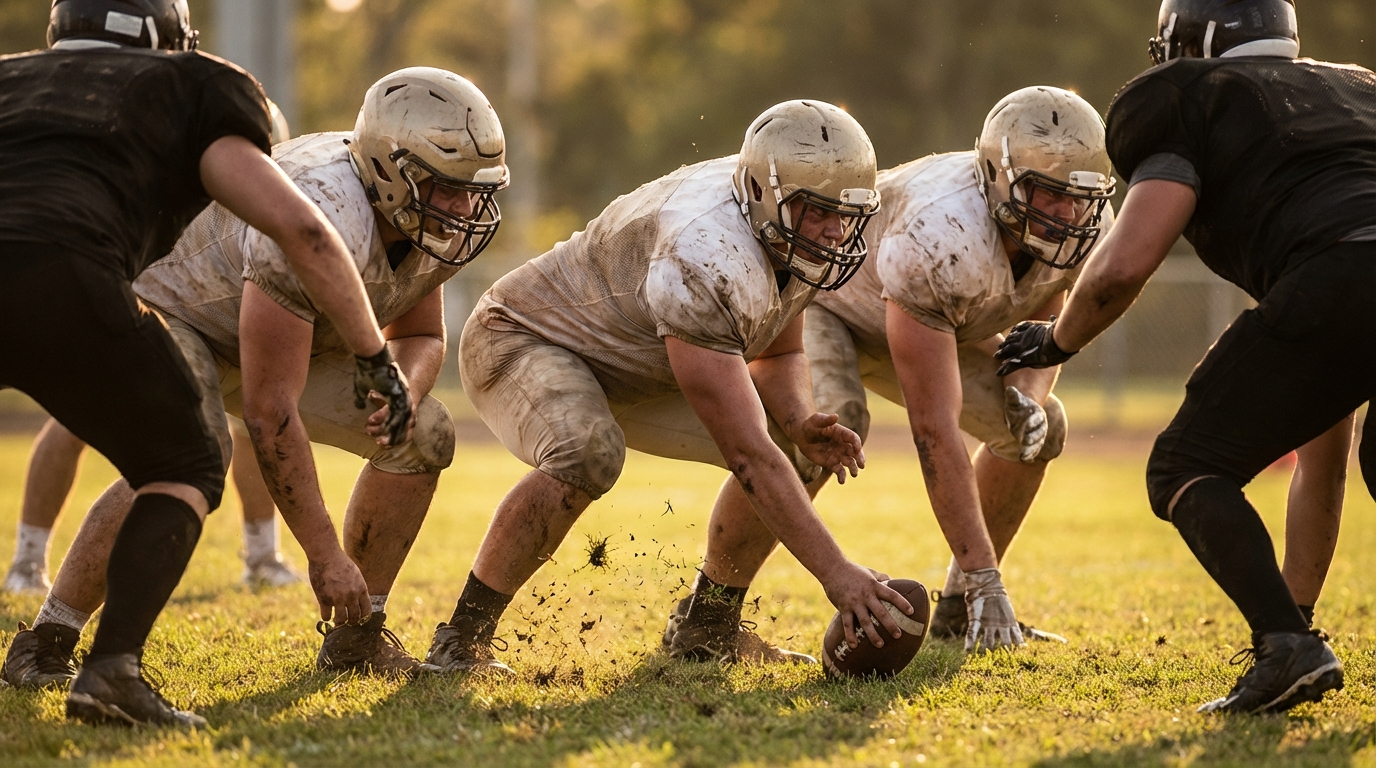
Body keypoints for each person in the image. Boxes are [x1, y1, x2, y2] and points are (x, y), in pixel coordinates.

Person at [1, 65, 506, 693]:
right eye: (446, 189)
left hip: (291, 332)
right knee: (186, 451)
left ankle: (357, 633)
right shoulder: (320, 214)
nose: (463, 209)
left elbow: (421, 335)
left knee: (423, 431)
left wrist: (402, 382)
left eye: (470, 189)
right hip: (185, 315)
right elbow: (270, 412)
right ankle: (46, 641)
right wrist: (324, 557)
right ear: (389, 169)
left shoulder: (422, 215)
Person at [422, 100, 915, 675]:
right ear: (763, 192)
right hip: (528, 338)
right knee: (588, 450)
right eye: (817, 212)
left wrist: (802, 418)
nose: (834, 230)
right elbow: (747, 455)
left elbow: (780, 348)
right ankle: (462, 638)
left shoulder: (781, 220)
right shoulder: (705, 249)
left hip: (642, 361)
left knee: (797, 446)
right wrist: (838, 575)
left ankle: (707, 627)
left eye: (845, 213)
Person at [994, 0, 1373, 714]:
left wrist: (1057, 338)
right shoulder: (1358, 89)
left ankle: (1286, 645)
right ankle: (1288, 639)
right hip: (1340, 278)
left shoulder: (1184, 100)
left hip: (1338, 276)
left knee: (1184, 466)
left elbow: (1122, 266)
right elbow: (1321, 461)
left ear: (1190, 42)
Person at [678, 87, 1113, 655]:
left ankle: (961, 608)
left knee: (1039, 427)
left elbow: (1046, 314)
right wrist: (990, 576)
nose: (1065, 214)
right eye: (1046, 194)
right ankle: (707, 616)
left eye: (1076, 197)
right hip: (834, 305)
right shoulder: (942, 233)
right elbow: (935, 427)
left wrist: (1028, 392)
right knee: (824, 431)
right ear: (998, 178)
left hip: (933, 318)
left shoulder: (1093, 227)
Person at [3, 106, 300, 595]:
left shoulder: (254, 201)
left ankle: (263, 555)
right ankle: (27, 562)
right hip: (142, 302)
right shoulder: (162, 183)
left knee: (252, 420)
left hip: (217, 316)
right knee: (74, 417)